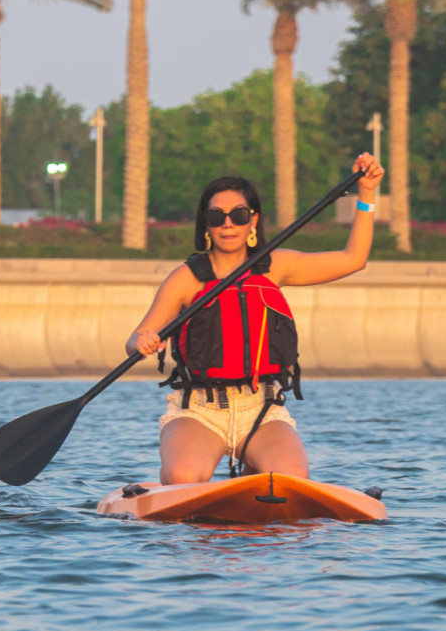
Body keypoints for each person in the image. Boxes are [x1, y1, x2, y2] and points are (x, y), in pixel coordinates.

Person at [127, 153, 385, 485]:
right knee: (184, 475)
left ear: (253, 221)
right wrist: (143, 340)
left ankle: (253, 477)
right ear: (205, 225)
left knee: (291, 478)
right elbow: (134, 340)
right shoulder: (187, 278)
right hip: (199, 411)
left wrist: (366, 195)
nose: (227, 224)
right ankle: (195, 485)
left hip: (261, 409)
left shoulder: (276, 266)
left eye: (238, 215)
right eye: (216, 216)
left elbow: (354, 260)